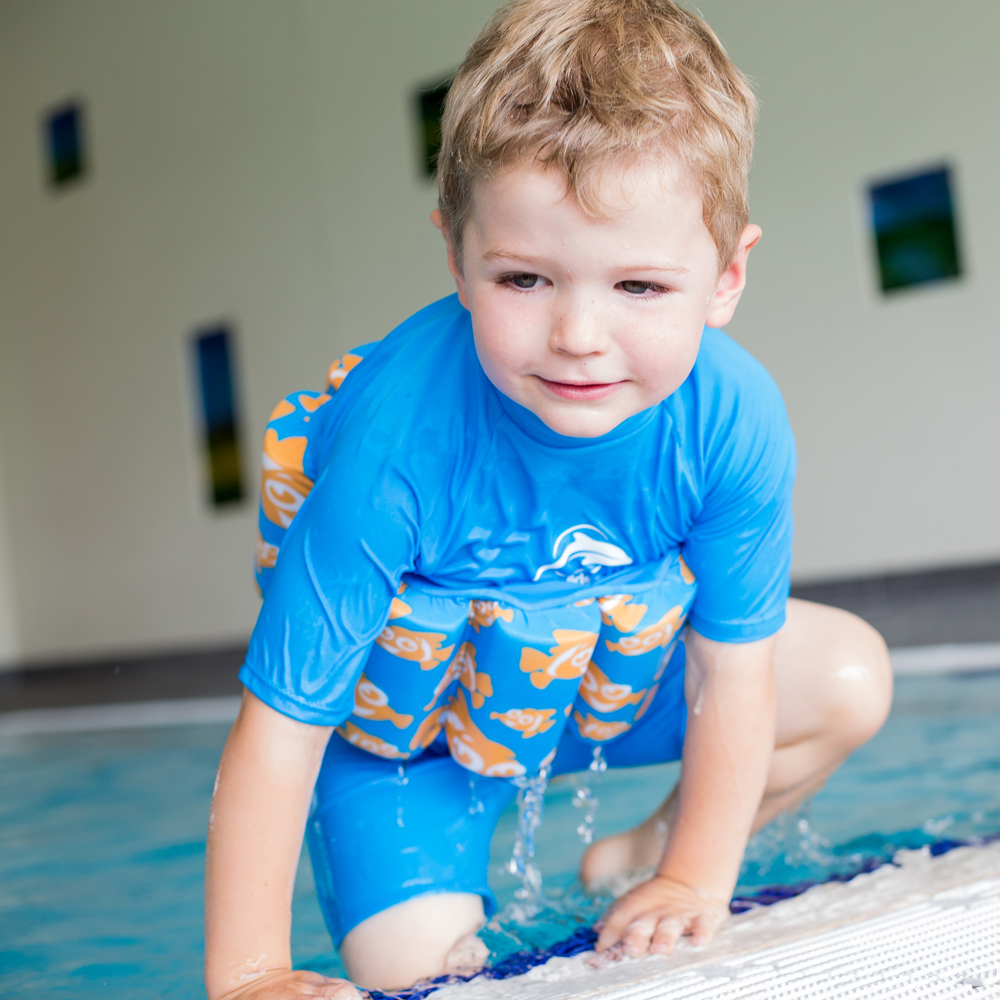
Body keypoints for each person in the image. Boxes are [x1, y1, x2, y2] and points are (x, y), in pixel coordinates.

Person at [204, 2, 893, 997]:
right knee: (415, 970)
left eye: (640, 288)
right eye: (524, 277)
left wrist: (690, 876)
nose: (578, 333)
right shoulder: (399, 438)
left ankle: (634, 852)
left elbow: (729, 678)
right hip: (422, 742)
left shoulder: (730, 419)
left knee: (846, 678)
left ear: (725, 275)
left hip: (605, 693)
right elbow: (279, 725)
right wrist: (251, 972)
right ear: (456, 257)